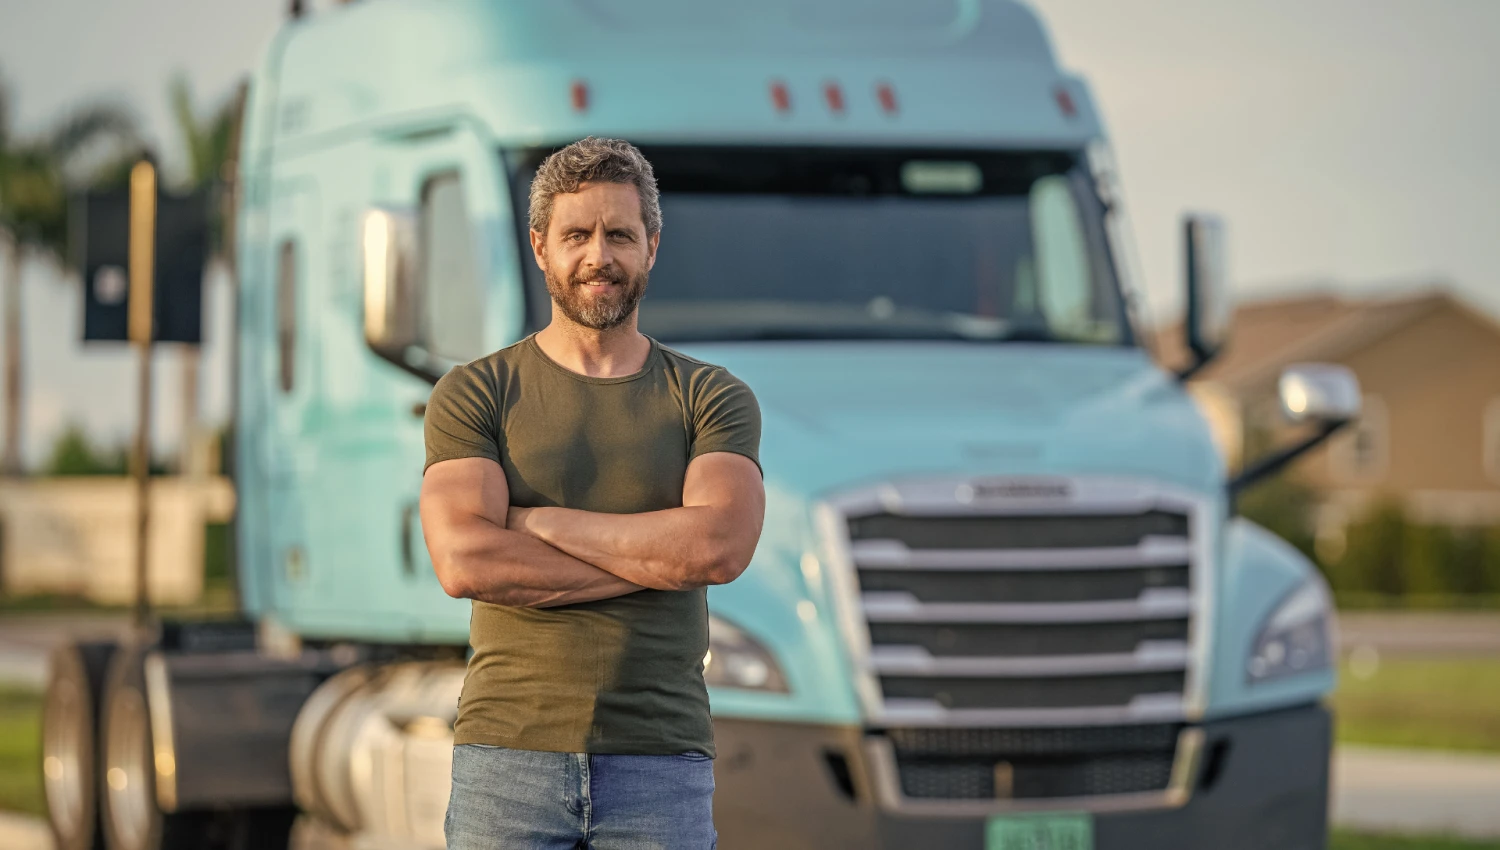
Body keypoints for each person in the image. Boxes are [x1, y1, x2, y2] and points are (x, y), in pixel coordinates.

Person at [420, 136, 765, 849]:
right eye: (576, 235)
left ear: (652, 247)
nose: (598, 256)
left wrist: (537, 523)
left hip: (660, 764)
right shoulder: (476, 392)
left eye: (620, 235)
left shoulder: (710, 396)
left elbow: (718, 548)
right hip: (506, 762)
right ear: (540, 247)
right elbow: (465, 562)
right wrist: (656, 559)